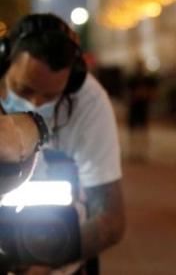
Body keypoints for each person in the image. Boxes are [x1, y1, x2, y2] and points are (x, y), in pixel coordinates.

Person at [0, 14, 125, 273]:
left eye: (49, 96)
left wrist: (44, 261)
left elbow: (111, 219)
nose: (34, 104)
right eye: (23, 89)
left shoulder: (89, 102)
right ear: (4, 60)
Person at [126, 59, 156, 163]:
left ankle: (143, 153)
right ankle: (134, 153)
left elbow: (153, 93)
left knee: (143, 131)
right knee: (133, 131)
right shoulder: (132, 79)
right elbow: (127, 93)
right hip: (134, 108)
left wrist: (145, 94)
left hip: (143, 108)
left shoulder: (148, 79)